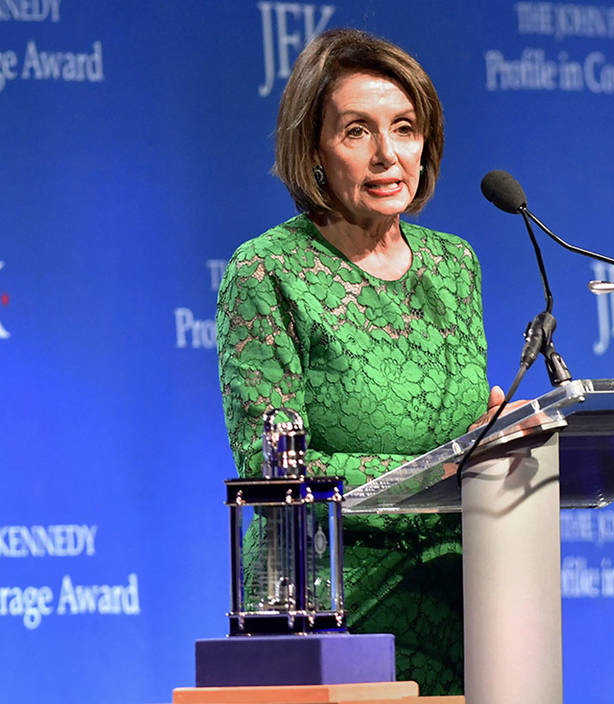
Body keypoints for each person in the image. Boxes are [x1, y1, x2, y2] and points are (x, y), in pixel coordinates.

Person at [216, 28, 506, 695]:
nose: (386, 155)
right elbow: (270, 472)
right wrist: (443, 469)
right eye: (356, 132)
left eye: (404, 128)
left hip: (465, 602)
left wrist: (497, 439)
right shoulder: (267, 272)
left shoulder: (453, 264)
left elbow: (464, 437)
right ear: (314, 151)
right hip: (331, 612)